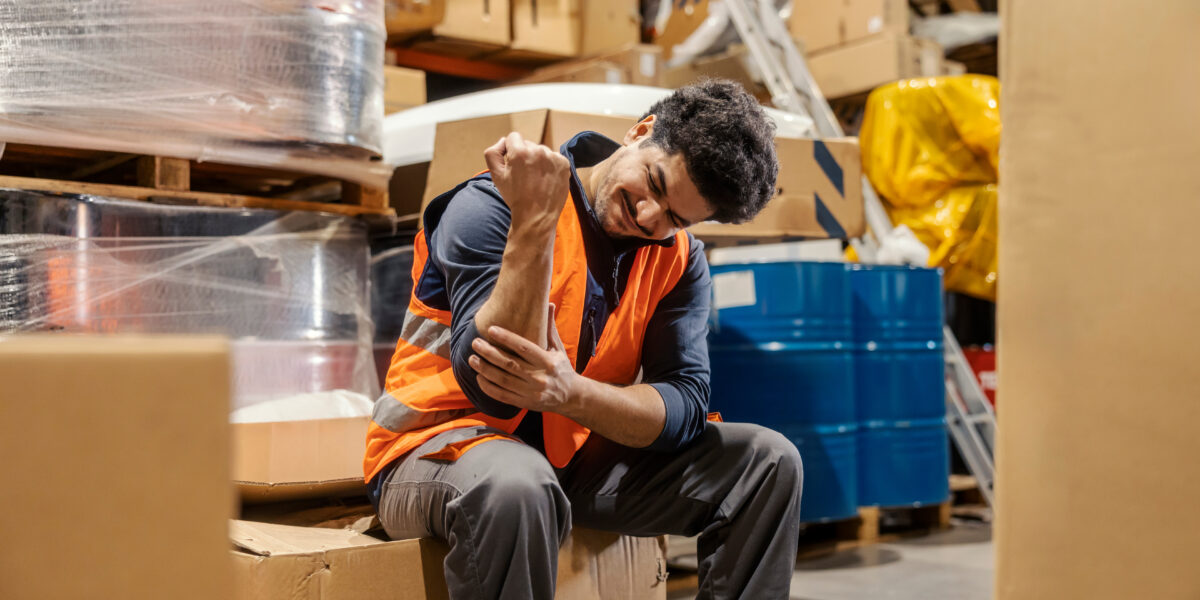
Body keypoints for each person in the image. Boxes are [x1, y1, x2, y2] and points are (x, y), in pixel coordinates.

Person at [364, 79, 803, 599]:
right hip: (434, 453)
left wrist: (571, 394)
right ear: (641, 131)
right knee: (516, 482)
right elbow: (490, 383)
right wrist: (535, 220)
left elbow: (684, 405)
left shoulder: (679, 260)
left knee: (768, 462)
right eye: (654, 186)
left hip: (570, 464)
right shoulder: (493, 203)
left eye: (676, 219)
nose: (648, 219)